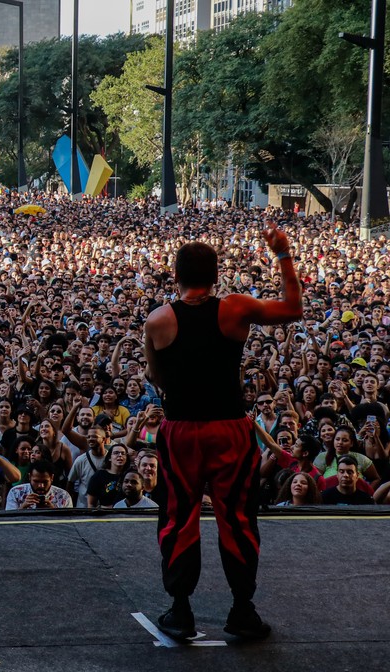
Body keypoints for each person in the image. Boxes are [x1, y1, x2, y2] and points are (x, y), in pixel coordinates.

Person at [144, 223, 302, 641]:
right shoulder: (233, 309)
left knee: (179, 517)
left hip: (180, 430)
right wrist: (282, 253)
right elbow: (292, 308)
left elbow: (155, 376)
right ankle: (242, 610)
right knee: (237, 517)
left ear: (175, 275)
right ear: (216, 276)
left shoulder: (157, 320)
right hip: (230, 428)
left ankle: (180, 610)